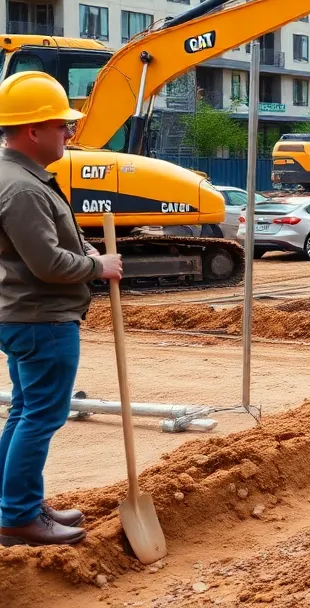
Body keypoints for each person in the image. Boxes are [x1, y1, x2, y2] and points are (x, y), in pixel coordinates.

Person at [0, 72, 123, 547]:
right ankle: (18, 518)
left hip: (25, 316)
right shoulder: (24, 189)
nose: (70, 133)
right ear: (32, 131)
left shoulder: (17, 177)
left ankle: (19, 504)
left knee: (26, 411)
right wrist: (96, 264)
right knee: (41, 416)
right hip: (42, 320)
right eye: (61, 126)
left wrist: (85, 250)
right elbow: (49, 264)